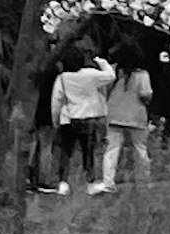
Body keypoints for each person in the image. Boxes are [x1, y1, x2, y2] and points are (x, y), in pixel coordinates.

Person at [49, 47, 114, 195]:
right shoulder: (89, 75)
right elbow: (110, 76)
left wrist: (56, 121)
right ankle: (92, 183)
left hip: (69, 118)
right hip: (90, 117)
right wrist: (102, 62)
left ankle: (63, 183)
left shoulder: (62, 78)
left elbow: (56, 101)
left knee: (66, 152)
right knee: (89, 151)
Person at [99, 60, 157, 190]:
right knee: (140, 148)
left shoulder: (111, 70)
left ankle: (108, 182)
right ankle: (143, 180)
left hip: (114, 113)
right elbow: (145, 95)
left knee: (112, 149)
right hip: (136, 115)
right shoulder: (142, 74)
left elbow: (103, 91)